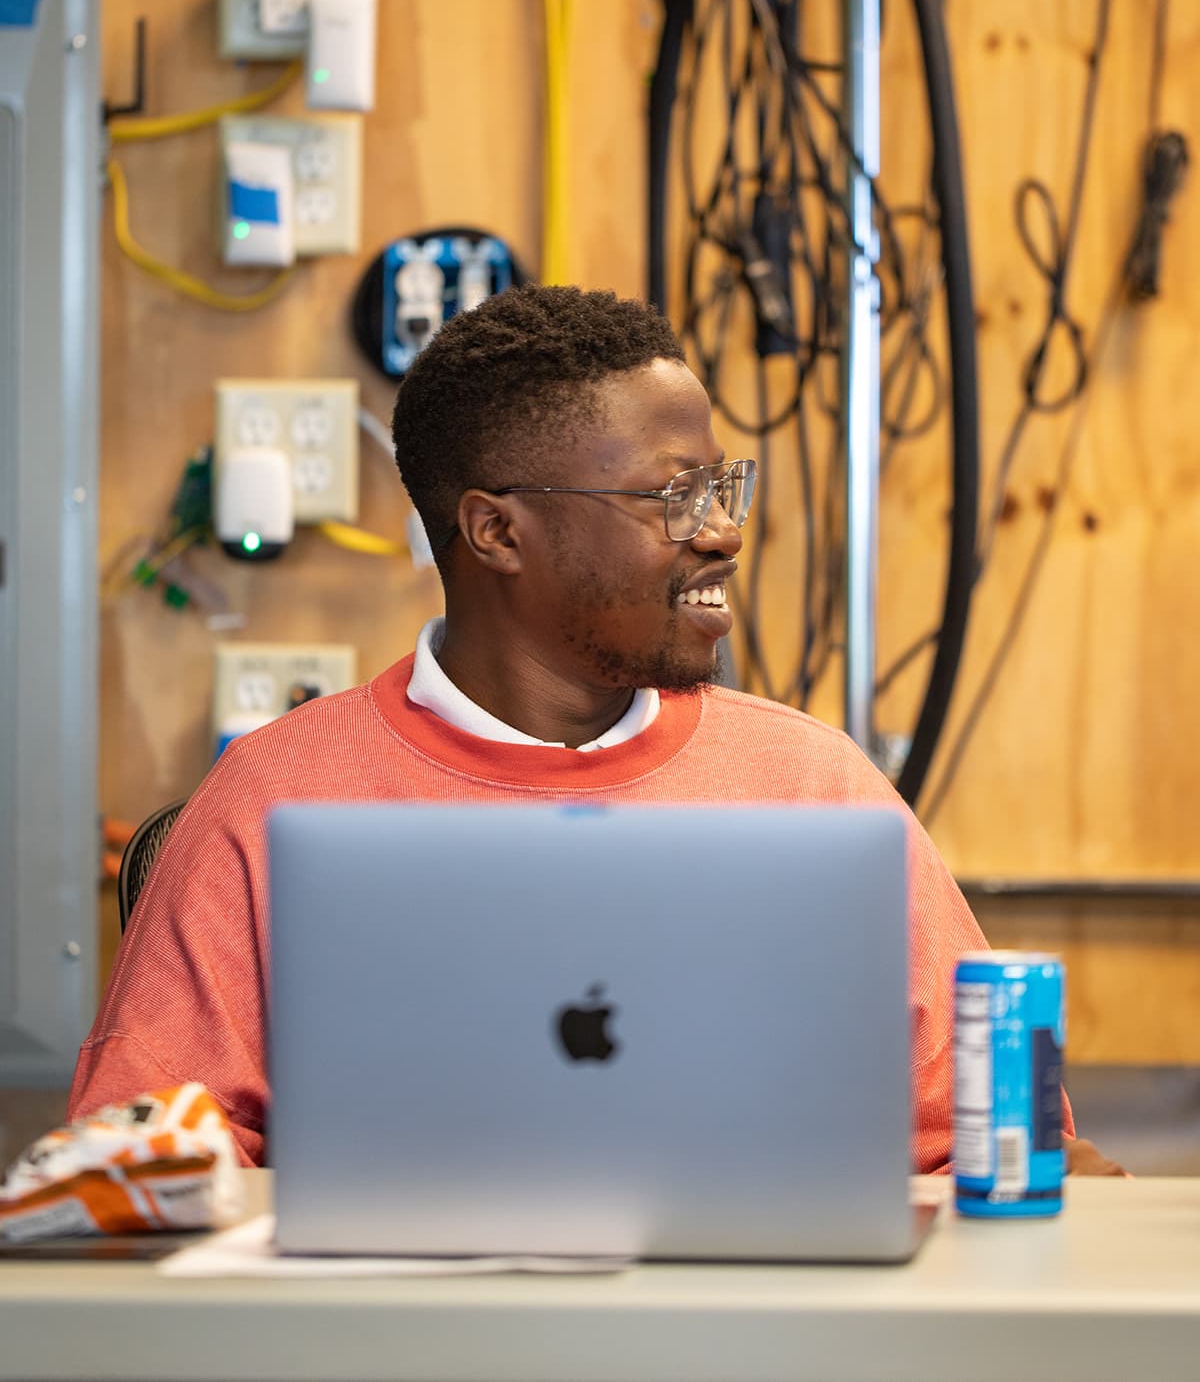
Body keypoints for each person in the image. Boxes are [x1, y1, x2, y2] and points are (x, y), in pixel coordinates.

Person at [69, 284, 1120, 1175]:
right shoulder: (269, 801)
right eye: (672, 496)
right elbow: (142, 1168)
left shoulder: (813, 785)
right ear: (496, 531)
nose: (721, 533)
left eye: (721, 487)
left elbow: (1004, 1155)